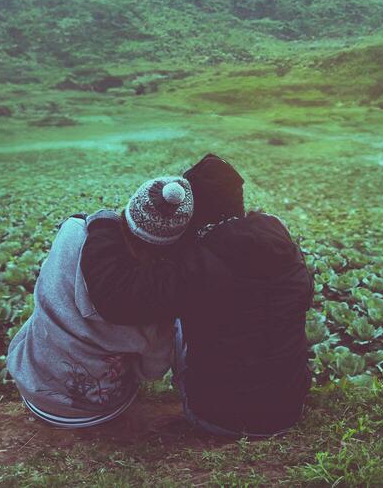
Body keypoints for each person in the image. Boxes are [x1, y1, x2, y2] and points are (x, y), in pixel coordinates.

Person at [80, 154, 315, 437]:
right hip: (289, 410)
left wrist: (104, 225)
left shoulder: (200, 262)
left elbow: (117, 300)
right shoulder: (282, 242)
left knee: (174, 317)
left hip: (221, 418)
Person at [4, 175, 194, 428]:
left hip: (35, 390)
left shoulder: (71, 232)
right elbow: (152, 372)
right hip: (99, 407)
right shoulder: (155, 300)